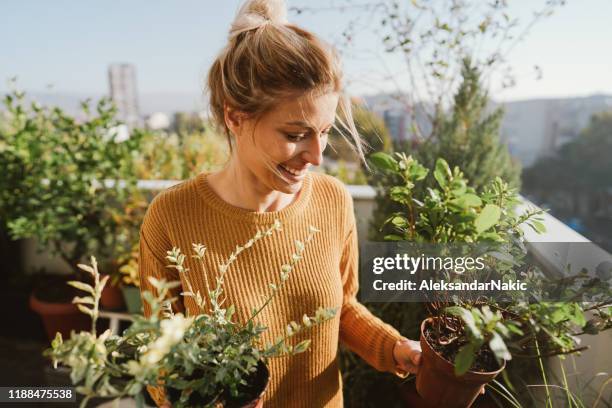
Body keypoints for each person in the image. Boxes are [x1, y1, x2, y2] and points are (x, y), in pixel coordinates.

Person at [138, 0, 422, 406]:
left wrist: (397, 348)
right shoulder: (171, 217)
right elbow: (158, 359)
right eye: (295, 134)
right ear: (234, 118)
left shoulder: (333, 200)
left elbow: (340, 309)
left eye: (323, 132)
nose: (316, 155)